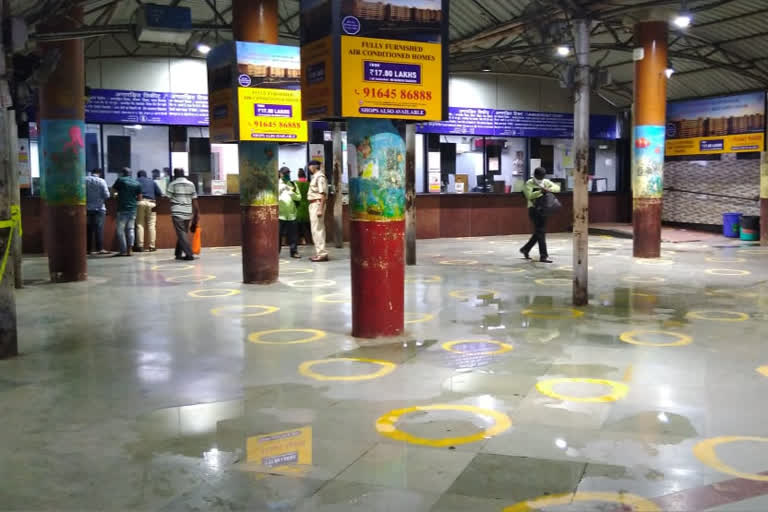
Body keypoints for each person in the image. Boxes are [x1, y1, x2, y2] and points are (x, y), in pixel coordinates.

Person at [520, 167, 561, 263]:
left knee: (539, 232)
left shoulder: (546, 181)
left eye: (543, 176)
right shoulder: (529, 183)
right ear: (535, 175)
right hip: (534, 210)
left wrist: (548, 188)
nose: (541, 178)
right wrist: (540, 192)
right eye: (539, 176)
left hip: (544, 209)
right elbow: (529, 195)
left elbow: (558, 188)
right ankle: (543, 256)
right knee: (541, 232)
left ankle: (525, 249)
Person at [166, 168, 199, 261]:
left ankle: (189, 254)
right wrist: (196, 213)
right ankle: (178, 253)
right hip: (188, 212)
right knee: (182, 233)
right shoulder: (191, 184)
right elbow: (194, 199)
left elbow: (168, 197)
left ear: (174, 174)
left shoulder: (172, 184)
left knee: (181, 233)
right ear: (184, 174)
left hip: (177, 212)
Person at [112, 168, 142, 257]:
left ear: (122, 173)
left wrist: (117, 197)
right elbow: (140, 198)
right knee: (130, 229)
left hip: (122, 209)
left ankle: (123, 250)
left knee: (120, 231)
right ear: (130, 174)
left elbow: (113, 191)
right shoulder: (137, 183)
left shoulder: (120, 180)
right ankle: (130, 249)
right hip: (133, 209)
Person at [134, 170, 164, 252]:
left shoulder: (135, 181)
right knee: (151, 225)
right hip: (152, 203)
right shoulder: (152, 182)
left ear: (138, 175)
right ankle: (152, 246)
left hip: (140, 202)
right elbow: (160, 194)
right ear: (146, 175)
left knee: (140, 224)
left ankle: (140, 246)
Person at [307, 159, 328, 262]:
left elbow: (323, 194)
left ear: (314, 166)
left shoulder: (320, 177)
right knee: (315, 230)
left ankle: (322, 253)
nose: (309, 168)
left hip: (317, 204)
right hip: (314, 204)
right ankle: (319, 252)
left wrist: (320, 209)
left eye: (310, 166)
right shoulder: (316, 177)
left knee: (318, 229)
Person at [278, 167, 301, 259]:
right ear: (280, 174)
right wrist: (280, 190)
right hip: (280, 215)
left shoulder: (293, 184)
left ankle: (294, 252)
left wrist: (291, 193)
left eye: (288, 173)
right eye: (285, 173)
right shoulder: (276, 185)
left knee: (293, 235)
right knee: (278, 235)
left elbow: (299, 198)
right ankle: (275, 252)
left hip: (292, 214)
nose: (287, 175)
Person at [85, 169, 110, 255]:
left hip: (87, 209)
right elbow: (107, 195)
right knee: (99, 229)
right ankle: (100, 249)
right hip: (99, 209)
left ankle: (88, 249)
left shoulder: (85, 180)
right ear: (99, 173)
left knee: (88, 229)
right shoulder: (102, 181)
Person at [295, 169, 311, 245]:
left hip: (298, 206)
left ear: (298, 176)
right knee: (307, 224)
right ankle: (308, 240)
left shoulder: (296, 184)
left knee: (298, 224)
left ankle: (300, 240)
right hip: (307, 205)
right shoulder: (309, 184)